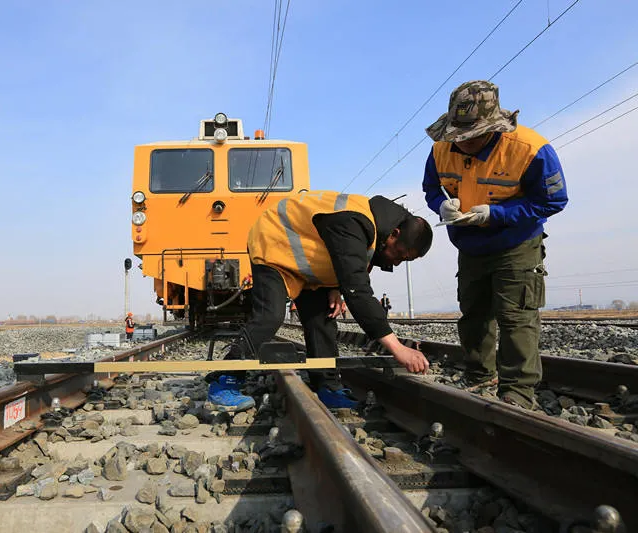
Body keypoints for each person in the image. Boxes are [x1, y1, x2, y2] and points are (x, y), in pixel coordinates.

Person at [207, 191, 434, 411]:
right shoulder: (355, 222)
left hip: (307, 261)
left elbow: (344, 258)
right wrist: (397, 348)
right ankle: (225, 378)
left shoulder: (374, 232)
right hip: (274, 245)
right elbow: (359, 291)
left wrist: (334, 287)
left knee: (323, 317)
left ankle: (327, 386)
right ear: (393, 234)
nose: (396, 263)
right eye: (400, 254)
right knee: (270, 315)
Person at [422, 80, 568, 410]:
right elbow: (432, 188)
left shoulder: (530, 150)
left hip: (516, 244)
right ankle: (479, 375)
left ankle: (517, 392)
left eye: (470, 136)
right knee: (474, 314)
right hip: (470, 245)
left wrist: (497, 214)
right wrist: (440, 205)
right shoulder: (440, 149)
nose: (462, 143)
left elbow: (553, 200)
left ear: (491, 128)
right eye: (458, 135)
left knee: (515, 316)